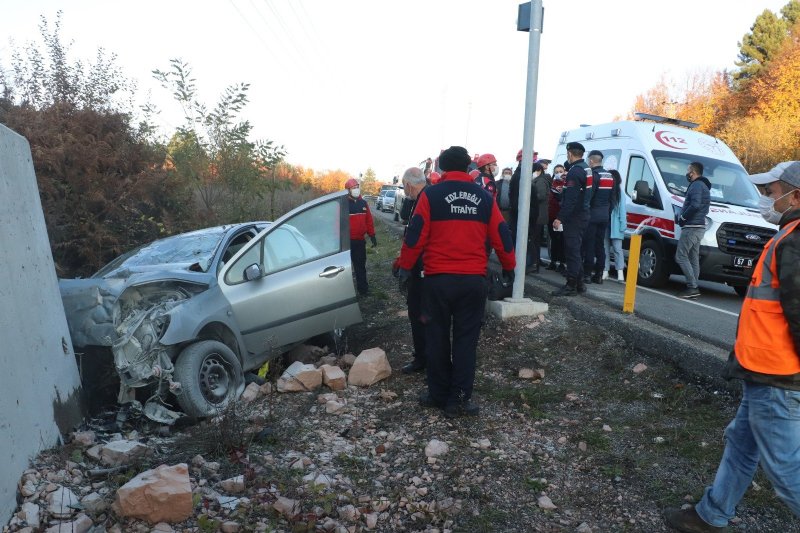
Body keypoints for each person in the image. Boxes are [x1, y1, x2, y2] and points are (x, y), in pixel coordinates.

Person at [664, 161, 800, 532]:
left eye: (772, 192)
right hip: (764, 370)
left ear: (795, 196)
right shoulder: (788, 234)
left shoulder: (795, 239)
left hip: (777, 376)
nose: (766, 199)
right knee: (741, 443)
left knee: (787, 469)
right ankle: (712, 513)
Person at [396, 146, 515, 418]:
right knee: (465, 341)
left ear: (442, 169)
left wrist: (405, 268)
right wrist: (510, 267)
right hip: (472, 282)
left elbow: (415, 236)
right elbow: (501, 234)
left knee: (436, 337)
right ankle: (459, 399)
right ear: (468, 167)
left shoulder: (431, 195)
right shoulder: (484, 197)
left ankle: (438, 394)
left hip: (437, 281)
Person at [394, 167, 429, 374]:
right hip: (421, 265)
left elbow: (415, 239)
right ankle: (423, 356)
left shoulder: (425, 199)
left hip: (423, 268)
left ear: (408, 184)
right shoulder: (422, 198)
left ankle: (424, 358)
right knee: (419, 313)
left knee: (419, 313)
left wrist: (405, 267)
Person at [552, 142, 592, 296]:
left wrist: (560, 218)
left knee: (572, 252)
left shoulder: (575, 172)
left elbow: (571, 200)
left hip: (574, 217)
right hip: (583, 214)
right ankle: (580, 284)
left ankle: (571, 285)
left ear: (569, 154)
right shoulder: (586, 168)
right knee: (576, 250)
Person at [675, 162, 711, 299]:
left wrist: (683, 217)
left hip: (691, 226)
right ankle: (693, 288)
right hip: (699, 226)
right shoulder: (704, 186)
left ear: (693, 172)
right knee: (693, 257)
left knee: (680, 256)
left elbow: (695, 205)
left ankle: (692, 287)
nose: (687, 173)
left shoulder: (696, 185)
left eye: (688, 170)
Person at [582, 150, 614, 284]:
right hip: (604, 215)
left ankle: (588, 274)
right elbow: (612, 198)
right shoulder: (610, 176)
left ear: (591, 161)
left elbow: (589, 196)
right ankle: (599, 274)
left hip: (593, 215)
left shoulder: (594, 175)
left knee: (589, 244)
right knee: (600, 245)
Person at [345, 178, 377, 295]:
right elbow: (338, 223)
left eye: (357, 187)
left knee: (360, 267)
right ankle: (346, 293)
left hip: (359, 241)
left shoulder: (363, 203)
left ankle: (363, 290)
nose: (356, 190)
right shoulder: (344, 205)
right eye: (353, 188)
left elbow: (369, 220)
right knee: (345, 269)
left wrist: (372, 235)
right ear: (348, 190)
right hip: (347, 242)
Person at [603, 169, 627, 281]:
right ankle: (605, 270)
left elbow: (622, 210)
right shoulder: (606, 190)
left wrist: (623, 225)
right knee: (604, 248)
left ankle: (620, 271)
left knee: (618, 249)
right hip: (605, 222)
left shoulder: (620, 192)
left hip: (616, 224)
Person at [527, 160, 550, 273]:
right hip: (539, 215)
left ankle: (534, 264)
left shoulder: (540, 181)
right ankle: (535, 262)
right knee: (535, 240)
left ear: (539, 171)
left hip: (538, 215)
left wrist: (528, 196)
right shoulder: (538, 180)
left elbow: (540, 196)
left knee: (534, 240)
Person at [547, 164, 567, 273]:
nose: (559, 173)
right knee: (554, 240)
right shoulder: (551, 184)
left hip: (560, 217)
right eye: (557, 171)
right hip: (552, 216)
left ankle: (562, 263)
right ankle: (553, 261)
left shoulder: (566, 184)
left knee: (561, 240)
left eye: (561, 171)